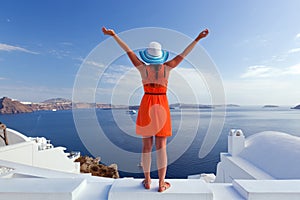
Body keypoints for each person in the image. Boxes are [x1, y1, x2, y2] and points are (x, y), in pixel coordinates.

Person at [102, 27, 209, 192]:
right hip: (162, 105)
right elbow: (184, 53)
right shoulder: (168, 67)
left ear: (148, 55)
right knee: (162, 147)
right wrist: (197, 38)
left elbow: (127, 50)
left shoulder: (143, 68)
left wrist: (114, 35)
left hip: (146, 104)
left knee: (146, 147)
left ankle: (147, 180)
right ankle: (161, 183)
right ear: (160, 55)